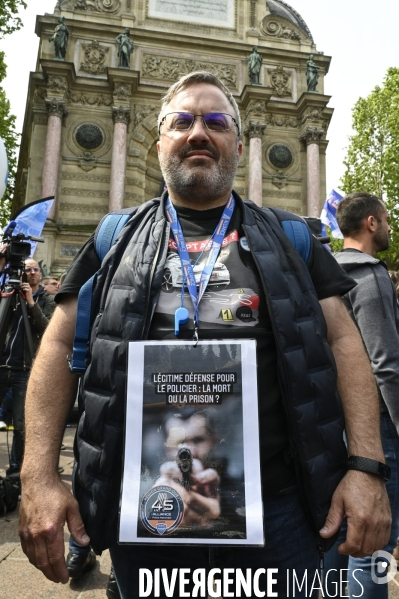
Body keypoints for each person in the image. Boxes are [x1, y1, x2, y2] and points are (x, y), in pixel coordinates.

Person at [19, 72, 391, 598]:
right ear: (159, 139)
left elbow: (345, 343)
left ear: (239, 145)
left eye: (216, 122)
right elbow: (57, 346)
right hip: (147, 514)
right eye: (182, 121)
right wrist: (37, 476)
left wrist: (367, 468)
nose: (199, 132)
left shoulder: (292, 239)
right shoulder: (113, 239)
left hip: (282, 512)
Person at [323, 192, 399, 598]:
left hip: (332, 422)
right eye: (386, 220)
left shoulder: (324, 273)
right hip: (376, 428)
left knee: (338, 534)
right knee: (372, 544)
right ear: (371, 223)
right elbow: (385, 363)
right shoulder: (368, 275)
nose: (388, 228)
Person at [0, 258, 55, 477]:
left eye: (35, 269)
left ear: (40, 274)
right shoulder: (10, 295)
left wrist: (31, 302)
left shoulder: (48, 300)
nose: (32, 273)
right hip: (3, 365)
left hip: (25, 370)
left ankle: (15, 473)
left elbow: (46, 328)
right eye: (27, 270)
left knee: (22, 427)